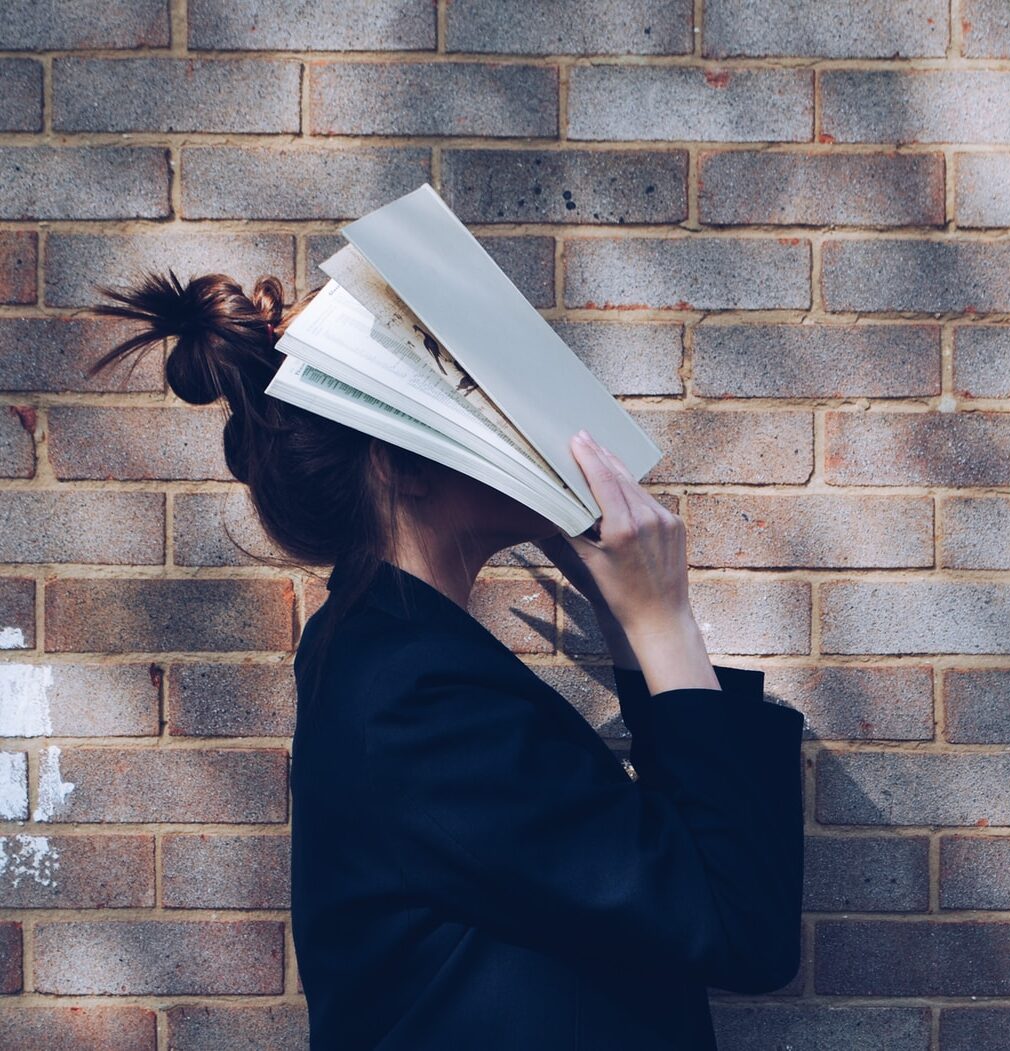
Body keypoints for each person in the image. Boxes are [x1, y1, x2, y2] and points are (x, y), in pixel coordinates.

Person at [84, 269, 806, 1049]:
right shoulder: (413, 698)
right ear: (404, 462)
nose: (520, 421)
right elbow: (739, 925)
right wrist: (664, 622)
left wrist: (628, 619)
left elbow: (675, 891)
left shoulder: (395, 661)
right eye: (476, 399)